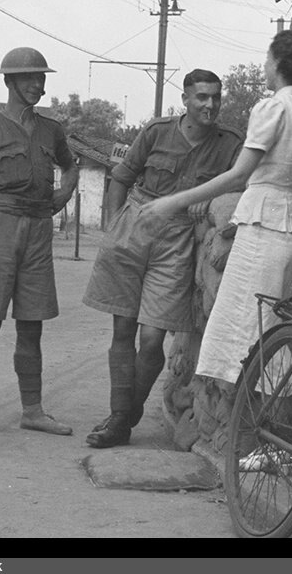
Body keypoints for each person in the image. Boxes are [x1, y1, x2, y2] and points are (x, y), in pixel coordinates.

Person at [141, 30, 292, 389]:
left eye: (268, 58)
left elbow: (239, 174)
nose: (265, 65)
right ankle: (265, 426)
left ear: (280, 65)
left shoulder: (272, 107)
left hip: (261, 226)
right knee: (268, 326)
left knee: (250, 331)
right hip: (290, 231)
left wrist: (174, 201)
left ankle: (261, 429)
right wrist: (291, 169)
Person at [81, 69, 244, 448]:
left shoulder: (230, 143)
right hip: (134, 226)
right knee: (122, 330)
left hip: (178, 238)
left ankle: (125, 414)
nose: (210, 105)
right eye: (202, 97)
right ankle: (120, 419)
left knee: (152, 338)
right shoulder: (156, 131)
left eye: (216, 97)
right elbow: (121, 177)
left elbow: (240, 181)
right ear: (185, 99)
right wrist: (114, 227)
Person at [0, 47, 80, 436]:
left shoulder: (52, 130)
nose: (36, 84)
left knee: (32, 325)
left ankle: (33, 410)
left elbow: (71, 165)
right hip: (0, 224)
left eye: (41, 77)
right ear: (8, 81)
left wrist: (64, 195)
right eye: (28, 77)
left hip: (39, 229)